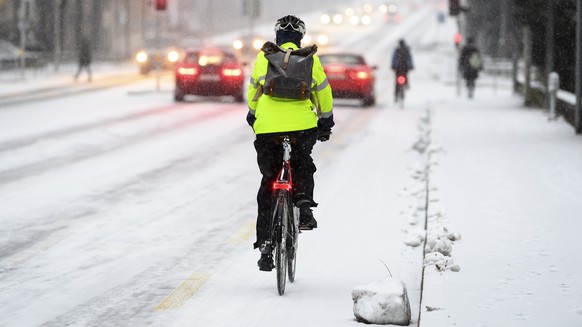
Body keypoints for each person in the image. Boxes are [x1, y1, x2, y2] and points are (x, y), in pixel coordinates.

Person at [246, 15, 334, 272]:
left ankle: (264, 245)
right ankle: (304, 205)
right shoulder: (310, 58)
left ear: (277, 36)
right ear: (300, 37)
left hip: (268, 128)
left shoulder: (264, 57)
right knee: (302, 162)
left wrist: (254, 114)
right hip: (302, 126)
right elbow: (323, 92)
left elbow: (254, 91)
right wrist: (326, 122)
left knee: (268, 181)